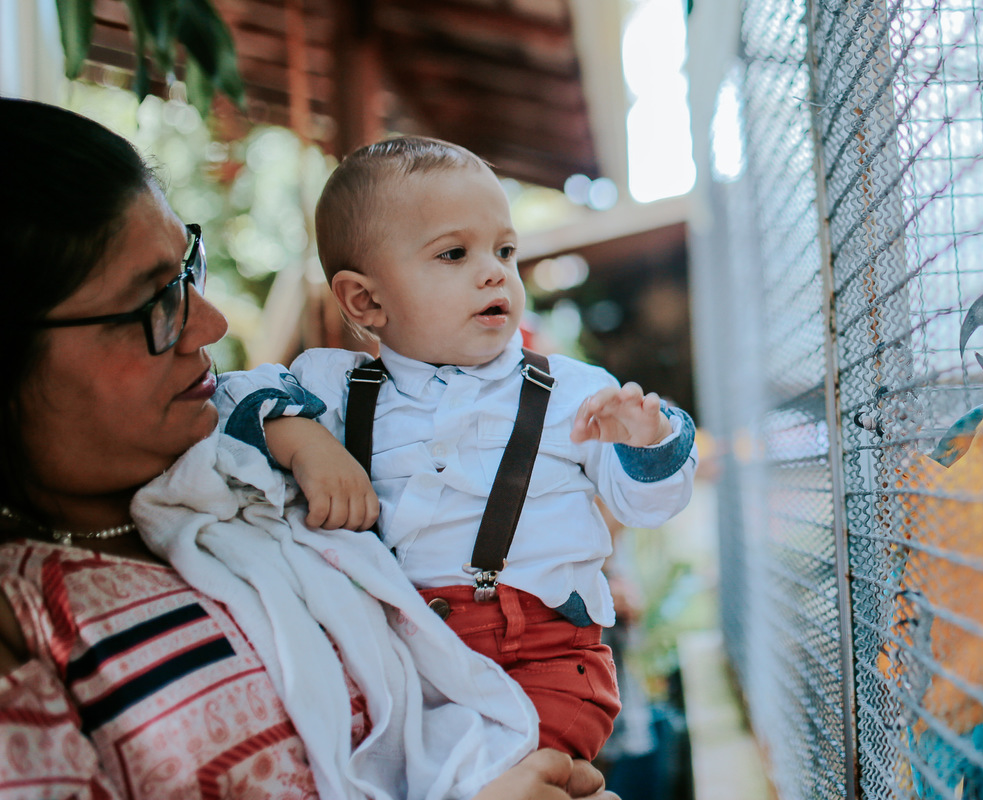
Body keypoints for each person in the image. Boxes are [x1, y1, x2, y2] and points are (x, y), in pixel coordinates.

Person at [0, 96, 616, 800]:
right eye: (153, 303)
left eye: (186, 272)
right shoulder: (24, 621)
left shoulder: (257, 473)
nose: (210, 320)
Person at [214, 136, 698, 760]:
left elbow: (644, 505)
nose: (495, 270)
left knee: (510, 775)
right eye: (453, 253)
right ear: (366, 300)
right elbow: (222, 402)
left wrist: (645, 444)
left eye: (504, 250)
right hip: (393, 666)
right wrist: (303, 439)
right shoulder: (333, 387)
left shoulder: (573, 393)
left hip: (542, 662)